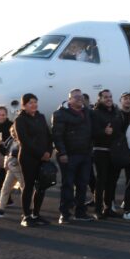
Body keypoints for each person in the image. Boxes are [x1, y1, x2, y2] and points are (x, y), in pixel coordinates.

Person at [52, 89, 94, 223]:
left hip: (85, 154)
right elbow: (57, 136)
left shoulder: (87, 112)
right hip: (69, 155)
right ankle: (64, 214)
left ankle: (80, 212)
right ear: (69, 99)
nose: (79, 99)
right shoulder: (60, 114)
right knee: (67, 185)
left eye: (80, 96)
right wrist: (62, 152)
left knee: (82, 185)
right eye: (75, 97)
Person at [13, 93, 53, 227]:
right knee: (28, 186)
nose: (34, 104)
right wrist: (41, 153)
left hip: (43, 156)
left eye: (35, 102)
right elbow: (24, 140)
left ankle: (36, 214)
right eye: (30, 102)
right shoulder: (20, 120)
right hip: (28, 157)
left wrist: (48, 151)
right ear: (24, 105)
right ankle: (26, 215)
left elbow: (48, 135)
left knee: (42, 186)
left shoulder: (41, 117)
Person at [91, 89, 123, 219]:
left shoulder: (116, 112)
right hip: (101, 151)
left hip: (114, 152)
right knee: (101, 181)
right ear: (100, 99)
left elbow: (119, 130)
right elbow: (92, 132)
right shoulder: (95, 113)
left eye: (110, 96)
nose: (109, 99)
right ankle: (97, 210)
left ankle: (108, 208)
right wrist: (104, 132)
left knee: (112, 182)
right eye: (105, 97)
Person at [0, 125, 23, 216]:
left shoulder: (23, 141)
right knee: (5, 188)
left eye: (14, 131)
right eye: (12, 131)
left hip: (19, 168)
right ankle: (0, 209)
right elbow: (5, 152)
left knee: (24, 189)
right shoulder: (11, 141)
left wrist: (11, 158)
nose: (13, 133)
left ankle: (28, 210)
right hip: (11, 169)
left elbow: (19, 154)